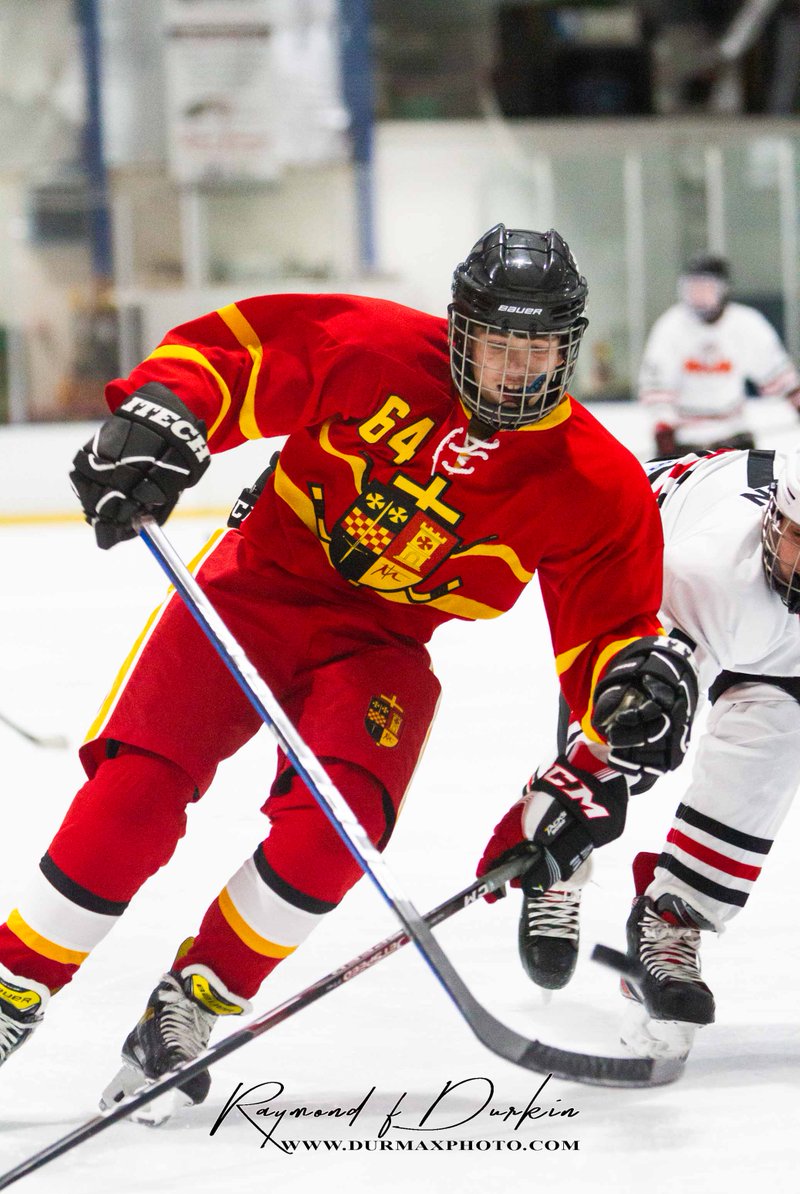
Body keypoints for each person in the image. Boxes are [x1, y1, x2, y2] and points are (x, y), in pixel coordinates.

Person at [0, 224, 696, 1116]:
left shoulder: (593, 480)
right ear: (459, 330)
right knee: (136, 791)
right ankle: (15, 987)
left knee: (338, 830)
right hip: (256, 588)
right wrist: (165, 409)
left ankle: (193, 1000)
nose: (514, 366)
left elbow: (606, 635)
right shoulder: (374, 347)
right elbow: (236, 359)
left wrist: (629, 685)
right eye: (496, 341)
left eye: (538, 346)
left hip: (382, 646)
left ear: (569, 346)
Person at [515, 444, 800, 1058]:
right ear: (773, 521)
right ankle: (557, 864)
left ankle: (668, 923)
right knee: (630, 729)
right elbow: (643, 688)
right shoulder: (714, 574)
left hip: (760, 632)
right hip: (641, 548)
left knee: (779, 729)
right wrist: (581, 790)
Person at [638, 253, 800, 458]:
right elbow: (656, 387)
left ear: (723, 289)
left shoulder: (747, 323)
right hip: (685, 442)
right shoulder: (671, 326)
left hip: (734, 438)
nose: (698, 296)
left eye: (706, 288)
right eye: (692, 288)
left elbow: (779, 376)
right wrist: (663, 426)